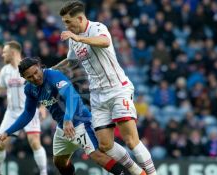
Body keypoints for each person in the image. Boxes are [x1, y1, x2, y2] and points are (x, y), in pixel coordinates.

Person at [0, 57, 146, 175]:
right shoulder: (29, 89)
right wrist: (6, 132)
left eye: (36, 72)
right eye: (30, 77)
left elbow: (72, 96)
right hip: (63, 127)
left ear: (40, 67)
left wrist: (68, 119)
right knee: (60, 163)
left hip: (78, 121)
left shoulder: (53, 76)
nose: (35, 77)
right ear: (25, 78)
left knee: (97, 155)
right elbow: (28, 113)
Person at [54, 1, 157, 174]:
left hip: (117, 89)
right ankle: (139, 173)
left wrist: (79, 38)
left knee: (131, 140)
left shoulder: (97, 28)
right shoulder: (74, 40)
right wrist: (49, 72)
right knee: (105, 145)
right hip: (97, 95)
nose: (66, 26)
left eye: (68, 22)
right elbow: (71, 62)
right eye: (64, 22)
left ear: (79, 18)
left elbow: (105, 42)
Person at [0, 41, 47, 175]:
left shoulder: (28, 68)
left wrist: (42, 106)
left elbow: (41, 85)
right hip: (11, 113)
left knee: (35, 142)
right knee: (0, 144)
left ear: (13, 53)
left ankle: (44, 172)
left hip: (29, 111)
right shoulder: (5, 70)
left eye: (4, 52)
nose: (2, 55)